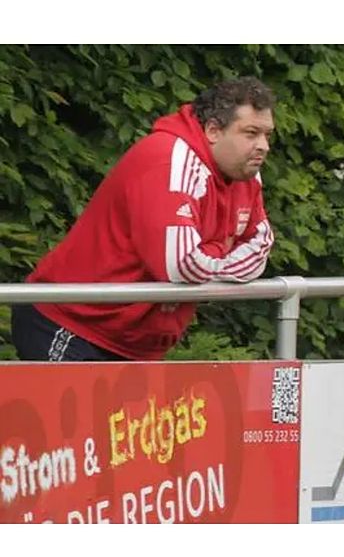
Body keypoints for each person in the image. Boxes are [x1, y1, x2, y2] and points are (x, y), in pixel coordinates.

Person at [11, 76, 276, 362]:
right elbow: (180, 266)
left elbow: (261, 246)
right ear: (213, 130)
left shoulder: (245, 172)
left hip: (134, 342)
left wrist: (208, 256)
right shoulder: (170, 160)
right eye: (251, 133)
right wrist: (218, 251)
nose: (263, 146)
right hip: (71, 323)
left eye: (267, 135)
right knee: (79, 410)